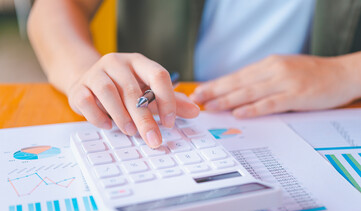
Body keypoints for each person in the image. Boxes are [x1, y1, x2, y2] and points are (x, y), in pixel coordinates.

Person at [28, 0, 361, 149]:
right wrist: (84, 72)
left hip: (322, 115)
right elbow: (55, 7)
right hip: (172, 111)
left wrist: (347, 72)